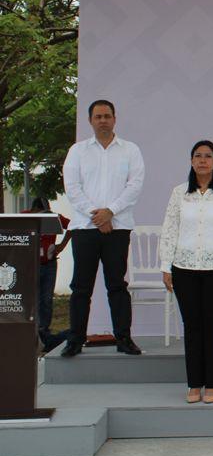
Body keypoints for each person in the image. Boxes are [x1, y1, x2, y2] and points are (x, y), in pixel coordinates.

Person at [159, 140, 213, 404]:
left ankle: (212, 383)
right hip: (184, 268)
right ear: (191, 161)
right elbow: (169, 230)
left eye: (208, 156)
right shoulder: (179, 194)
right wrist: (166, 266)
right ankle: (193, 383)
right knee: (192, 326)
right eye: (197, 156)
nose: (202, 160)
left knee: (212, 325)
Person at [61, 99, 145, 358]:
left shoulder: (130, 150)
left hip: (118, 228)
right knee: (80, 287)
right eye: (98, 117)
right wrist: (97, 215)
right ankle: (75, 340)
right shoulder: (78, 151)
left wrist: (111, 212)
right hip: (85, 229)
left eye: (107, 116)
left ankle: (124, 338)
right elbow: (72, 188)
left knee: (117, 285)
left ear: (115, 119)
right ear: (90, 121)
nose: (103, 120)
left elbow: (135, 186)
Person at [22, 197, 71, 352]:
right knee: (33, 297)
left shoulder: (54, 217)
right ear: (33, 210)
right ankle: (33, 330)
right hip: (31, 264)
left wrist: (62, 245)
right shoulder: (24, 216)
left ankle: (44, 330)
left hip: (49, 264)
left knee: (47, 298)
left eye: (46, 213)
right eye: (40, 213)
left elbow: (74, 226)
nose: (44, 216)